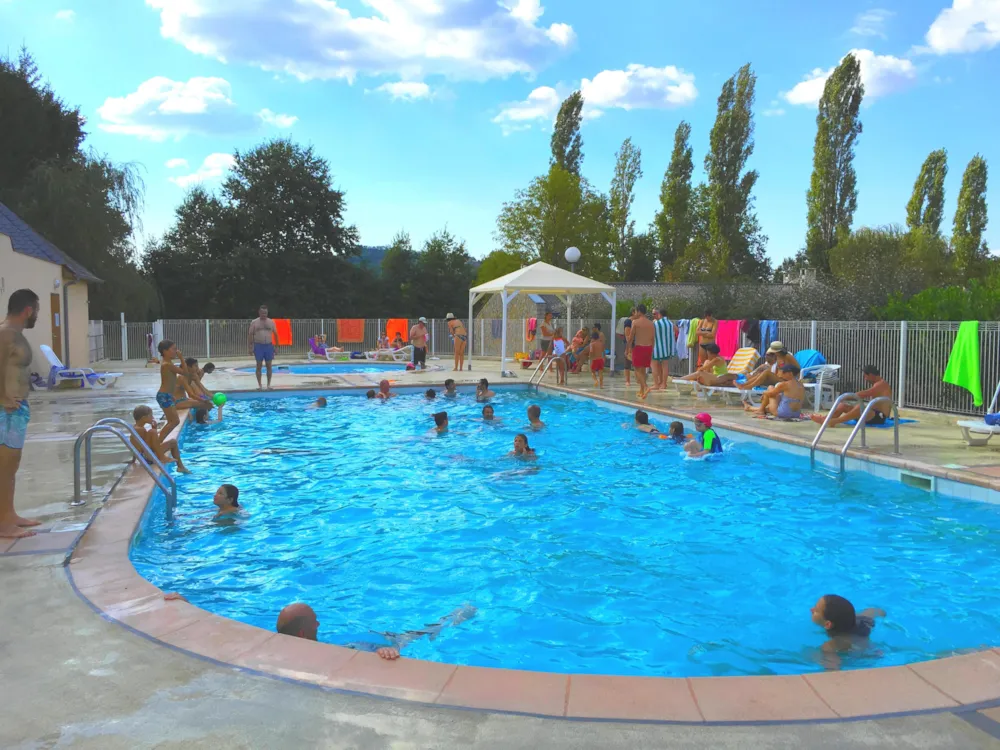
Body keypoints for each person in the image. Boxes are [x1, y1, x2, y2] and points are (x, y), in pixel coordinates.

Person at [0, 289, 42, 538]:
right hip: (6, 410)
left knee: (11, 464)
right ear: (28, 310)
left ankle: (9, 514)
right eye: (36, 309)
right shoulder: (5, 334)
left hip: (16, 410)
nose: (36, 314)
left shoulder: (15, 334)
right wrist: (3, 398)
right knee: (4, 466)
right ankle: (3, 524)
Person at [275, 603, 407, 661]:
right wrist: (383, 652)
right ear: (302, 634)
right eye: (314, 622)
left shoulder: (279, 655)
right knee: (399, 640)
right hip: (362, 648)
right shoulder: (331, 654)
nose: (318, 624)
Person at [811, 594, 886, 663]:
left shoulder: (830, 646)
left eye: (816, 611)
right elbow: (878, 611)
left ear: (828, 624)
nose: (811, 609)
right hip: (863, 625)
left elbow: (833, 670)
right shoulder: (860, 619)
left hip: (859, 647)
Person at [811, 365, 892, 426]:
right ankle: (825, 419)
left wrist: (846, 396)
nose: (865, 379)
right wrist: (843, 399)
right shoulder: (877, 384)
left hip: (881, 417)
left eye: (865, 376)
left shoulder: (881, 384)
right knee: (842, 405)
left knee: (859, 407)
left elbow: (865, 393)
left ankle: (835, 421)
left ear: (870, 375)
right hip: (871, 414)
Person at [156, 340, 202, 442]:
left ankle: (157, 443)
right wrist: (181, 358)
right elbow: (185, 373)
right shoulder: (167, 364)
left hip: (167, 395)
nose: (176, 351)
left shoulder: (168, 363)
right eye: (173, 349)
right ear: (165, 351)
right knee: (174, 421)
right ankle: (157, 444)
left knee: (173, 421)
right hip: (164, 396)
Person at [131, 405, 191, 473]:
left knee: (173, 442)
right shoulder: (140, 430)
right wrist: (154, 431)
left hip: (148, 455)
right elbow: (144, 448)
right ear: (144, 418)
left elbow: (137, 446)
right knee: (152, 432)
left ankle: (180, 467)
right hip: (148, 458)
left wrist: (133, 460)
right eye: (151, 416)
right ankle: (162, 458)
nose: (153, 418)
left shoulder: (137, 428)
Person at [248, 304, 277, 391]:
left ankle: (268, 385)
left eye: (265, 313)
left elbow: (275, 335)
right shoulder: (254, 322)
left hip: (268, 345)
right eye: (262, 313)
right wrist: (250, 347)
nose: (264, 315)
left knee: (269, 366)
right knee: (259, 365)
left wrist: (276, 347)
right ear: (259, 312)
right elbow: (250, 335)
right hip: (258, 346)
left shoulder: (271, 322)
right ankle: (260, 385)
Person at [631, 304, 654, 399]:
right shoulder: (651, 323)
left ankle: (646, 387)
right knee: (643, 369)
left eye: (636, 311)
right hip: (648, 348)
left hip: (639, 347)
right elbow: (653, 338)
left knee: (637, 369)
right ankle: (642, 390)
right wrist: (652, 349)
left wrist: (628, 348)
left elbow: (631, 337)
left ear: (639, 312)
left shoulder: (635, 322)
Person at [651, 308, 673, 390]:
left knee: (654, 366)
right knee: (665, 366)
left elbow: (651, 334)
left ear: (659, 314)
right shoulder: (670, 323)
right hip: (666, 348)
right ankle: (664, 384)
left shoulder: (656, 323)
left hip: (657, 348)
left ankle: (656, 384)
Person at [622, 310, 635, 387]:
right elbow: (627, 335)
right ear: (633, 312)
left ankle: (638, 379)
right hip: (629, 344)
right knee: (627, 363)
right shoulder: (628, 322)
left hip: (636, 343)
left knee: (636, 363)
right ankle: (627, 380)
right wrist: (629, 347)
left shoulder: (636, 321)